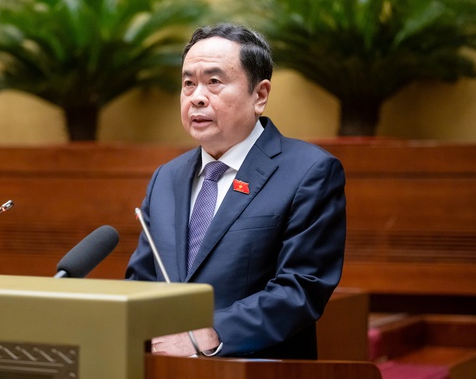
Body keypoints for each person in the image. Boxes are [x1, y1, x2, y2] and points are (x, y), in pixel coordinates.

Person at [125, 23, 346, 359]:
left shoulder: (309, 171)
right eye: (188, 83)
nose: (197, 97)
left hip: (256, 369)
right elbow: (142, 281)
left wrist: (209, 334)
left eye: (214, 82)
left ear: (260, 95)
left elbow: (301, 288)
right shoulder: (166, 178)